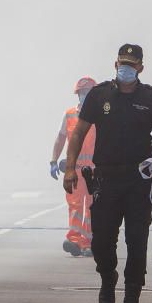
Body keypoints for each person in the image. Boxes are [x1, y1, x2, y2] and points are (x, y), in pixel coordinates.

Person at [63, 44, 152, 303]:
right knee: (102, 240)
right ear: (116, 65)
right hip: (106, 178)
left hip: (138, 179)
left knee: (137, 240)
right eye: (121, 63)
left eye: (131, 64)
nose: (125, 68)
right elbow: (78, 133)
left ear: (140, 68)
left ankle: (132, 299)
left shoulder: (150, 98)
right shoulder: (100, 95)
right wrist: (70, 168)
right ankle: (107, 276)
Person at [50, 76, 97, 257]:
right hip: (74, 169)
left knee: (93, 206)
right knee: (75, 205)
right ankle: (74, 240)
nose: (84, 96)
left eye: (88, 93)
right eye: (82, 93)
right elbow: (60, 138)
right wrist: (54, 161)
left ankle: (90, 242)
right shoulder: (69, 114)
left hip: (95, 169)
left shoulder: (101, 116)